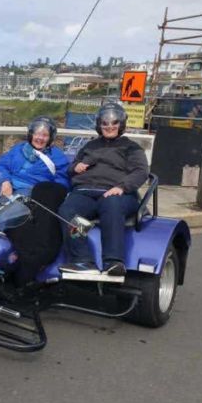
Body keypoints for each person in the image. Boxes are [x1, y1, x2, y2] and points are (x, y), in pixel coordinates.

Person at [58, 102, 149, 276]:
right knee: (67, 209)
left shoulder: (131, 148)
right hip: (85, 193)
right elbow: (70, 169)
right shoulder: (89, 146)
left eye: (114, 123)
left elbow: (141, 171)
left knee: (111, 204)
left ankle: (113, 261)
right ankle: (83, 260)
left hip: (118, 194)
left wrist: (121, 187)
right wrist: (75, 167)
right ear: (99, 125)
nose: (109, 127)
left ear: (121, 124)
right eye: (105, 123)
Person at [0, 116, 70, 229]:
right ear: (31, 134)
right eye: (37, 134)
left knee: (7, 214)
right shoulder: (19, 148)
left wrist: (48, 195)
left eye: (45, 135)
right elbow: (2, 164)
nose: (40, 138)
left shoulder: (57, 156)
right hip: (7, 182)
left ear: (51, 137)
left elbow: (62, 182)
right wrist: (5, 180)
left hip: (30, 190)